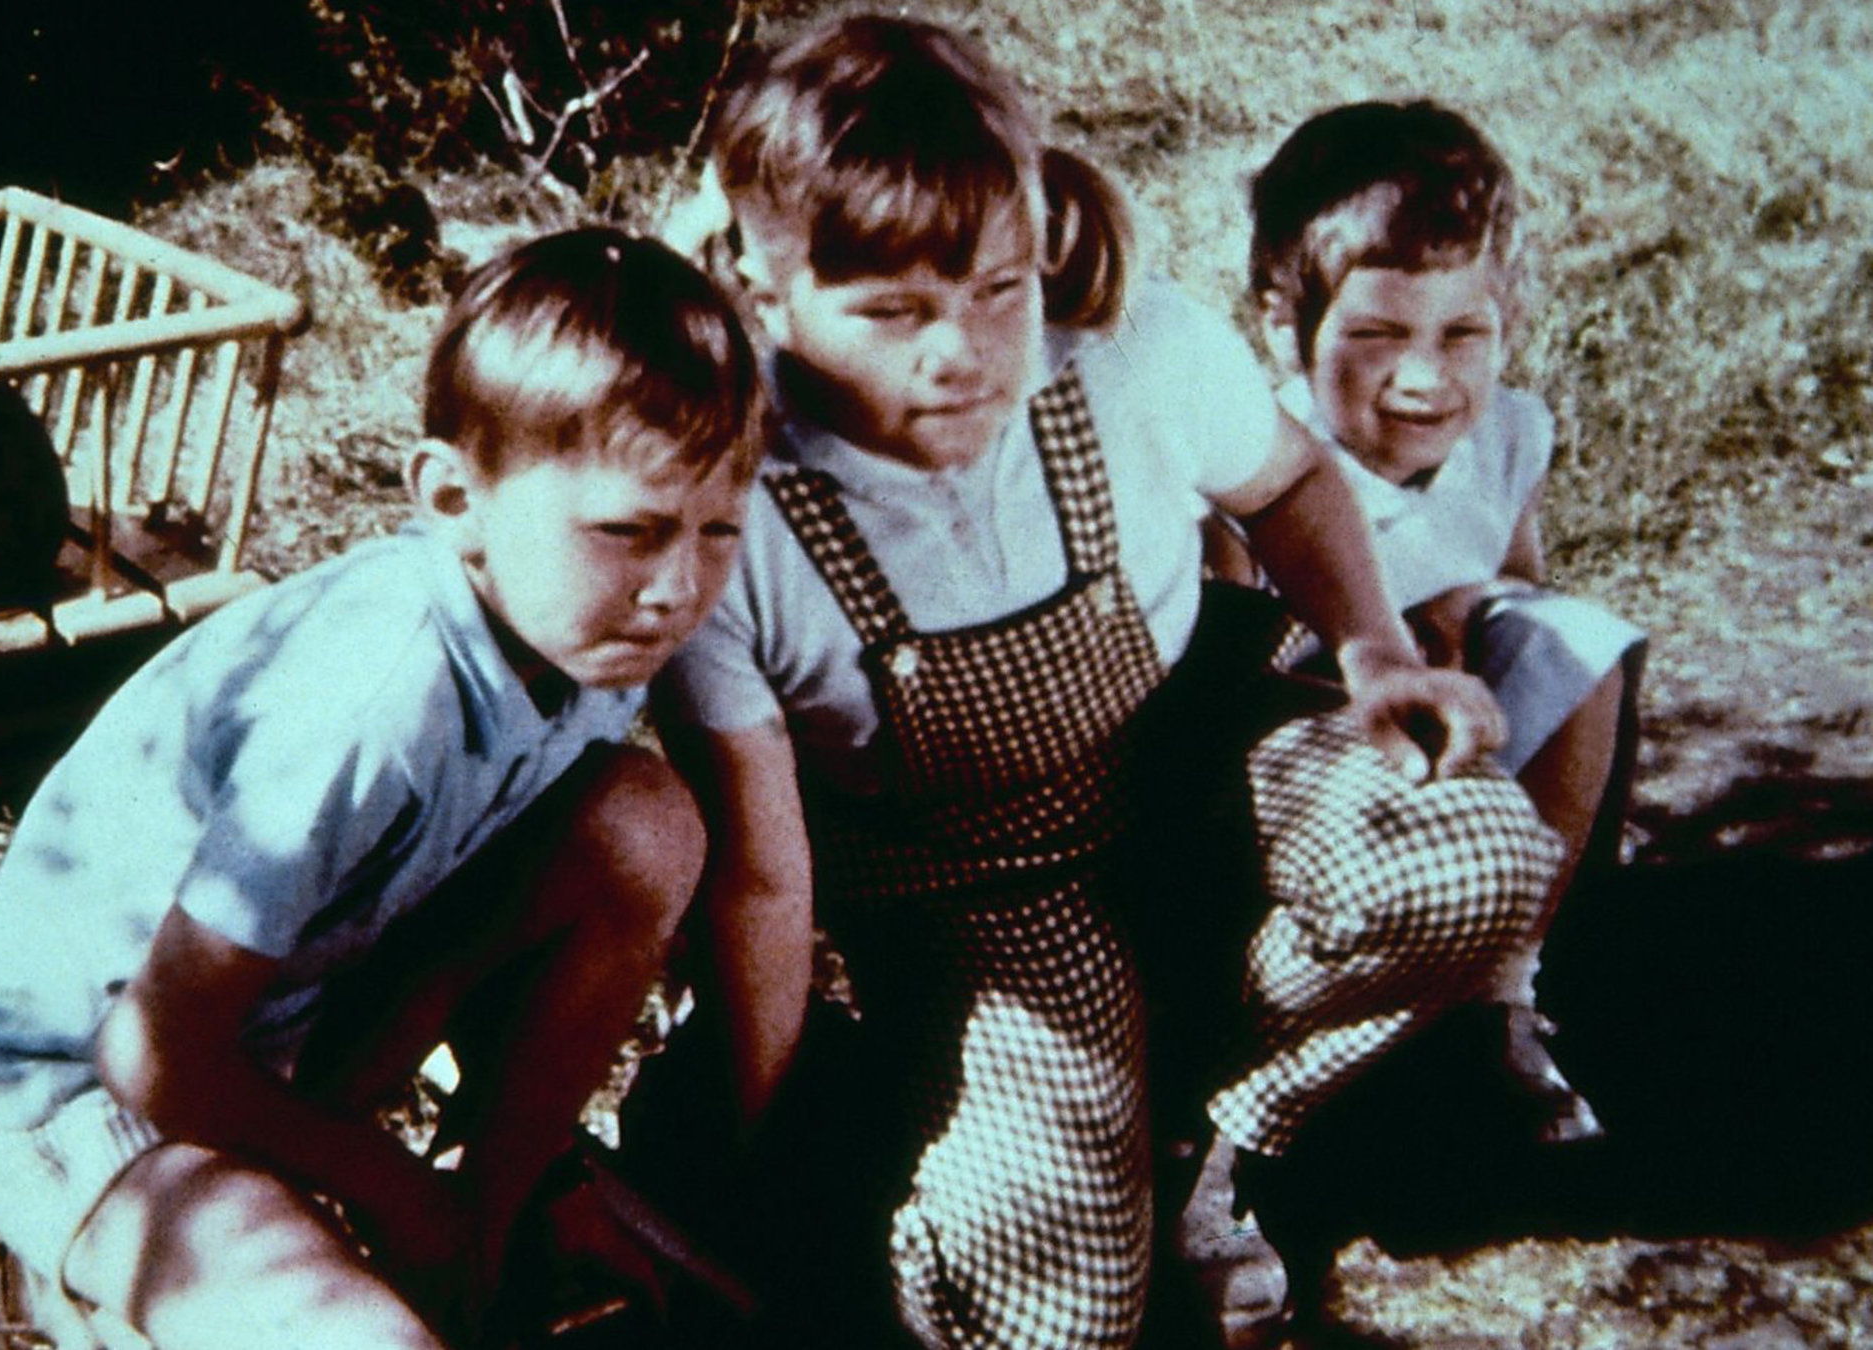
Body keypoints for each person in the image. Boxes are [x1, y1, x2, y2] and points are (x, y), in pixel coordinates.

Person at [645, 16, 1564, 1349]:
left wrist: (1371, 647)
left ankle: (1203, 1140)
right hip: (972, 897)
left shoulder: (1122, 351)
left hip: (1178, 783)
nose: (956, 353)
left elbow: (1292, 481)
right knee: (1067, 1309)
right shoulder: (734, 506)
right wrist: (754, 1131)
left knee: (1471, 854)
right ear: (763, 286)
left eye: (993, 291)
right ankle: (981, 1156)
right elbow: (763, 873)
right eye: (891, 312)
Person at [0, 227, 761, 1350]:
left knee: (644, 821)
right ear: (451, 499)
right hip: (94, 1095)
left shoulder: (583, 629)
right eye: (630, 531)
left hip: (290, 1016)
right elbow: (151, 1054)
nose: (678, 589)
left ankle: (499, 1212)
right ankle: (87, 1284)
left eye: (718, 531)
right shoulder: (370, 699)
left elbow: (509, 878)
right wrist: (391, 1187)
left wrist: (492, 1173)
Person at [1241, 99, 1648, 1146]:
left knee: (1575, 644)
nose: (1424, 379)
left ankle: (1498, 994)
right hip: (1321, 780)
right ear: (1279, 319)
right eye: (1375, 336)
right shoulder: (1262, 458)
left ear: (1505, 312)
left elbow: (1520, 591)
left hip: (1465, 750)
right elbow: (1231, 677)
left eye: (1461, 333)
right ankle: (1268, 1069)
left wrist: (1479, 623)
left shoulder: (1508, 431)